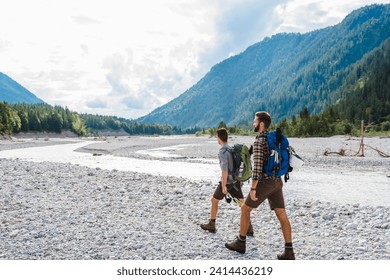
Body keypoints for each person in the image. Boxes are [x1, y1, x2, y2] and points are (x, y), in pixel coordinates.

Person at [225, 112, 295, 260]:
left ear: (261, 124)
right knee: (281, 214)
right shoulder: (275, 140)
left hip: (265, 182)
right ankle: (289, 252)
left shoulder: (259, 141)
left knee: (245, 208)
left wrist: (253, 188)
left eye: (255, 121)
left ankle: (241, 243)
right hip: (277, 181)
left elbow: (257, 169)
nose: (253, 123)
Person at [200, 128, 253, 235]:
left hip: (228, 182)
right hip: (236, 181)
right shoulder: (231, 148)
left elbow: (224, 170)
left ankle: (211, 224)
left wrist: (224, 186)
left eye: (217, 137)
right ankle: (249, 228)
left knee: (214, 200)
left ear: (219, 138)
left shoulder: (223, 151)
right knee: (242, 204)